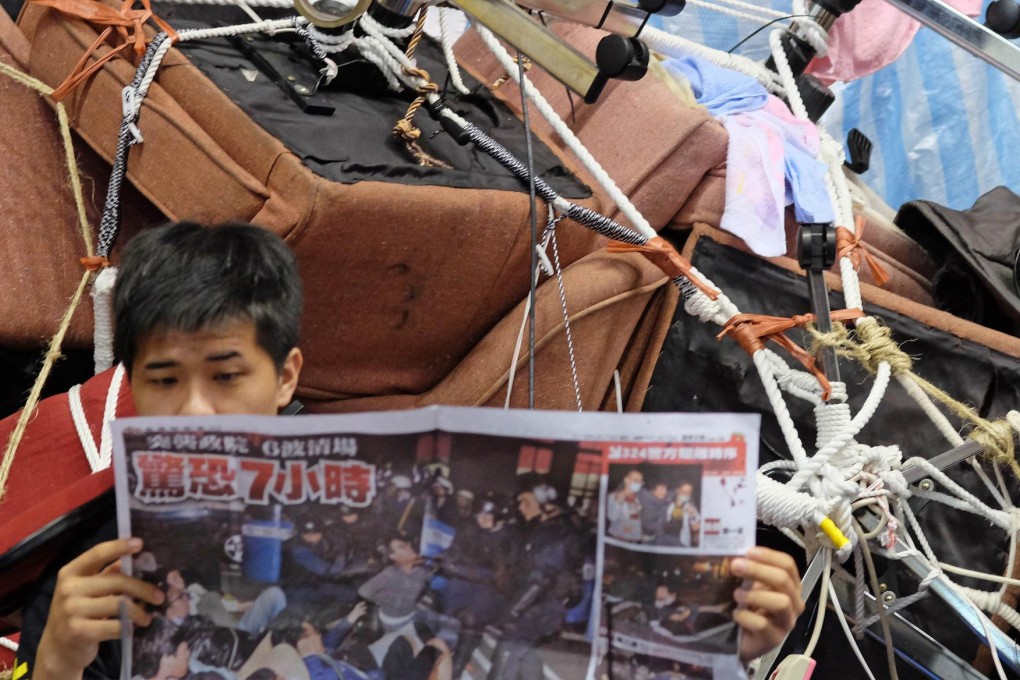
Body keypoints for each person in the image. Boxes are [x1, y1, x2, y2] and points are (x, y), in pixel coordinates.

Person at [18, 221, 304, 679]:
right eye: (165, 380)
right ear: (133, 386)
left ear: (286, 377)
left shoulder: (380, 513)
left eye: (226, 376)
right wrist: (56, 664)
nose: (194, 412)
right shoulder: (92, 574)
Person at [606, 469, 644, 542]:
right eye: (636, 480)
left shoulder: (637, 499)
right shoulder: (614, 496)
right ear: (626, 480)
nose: (638, 484)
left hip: (634, 540)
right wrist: (619, 500)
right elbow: (612, 517)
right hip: (617, 540)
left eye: (641, 482)